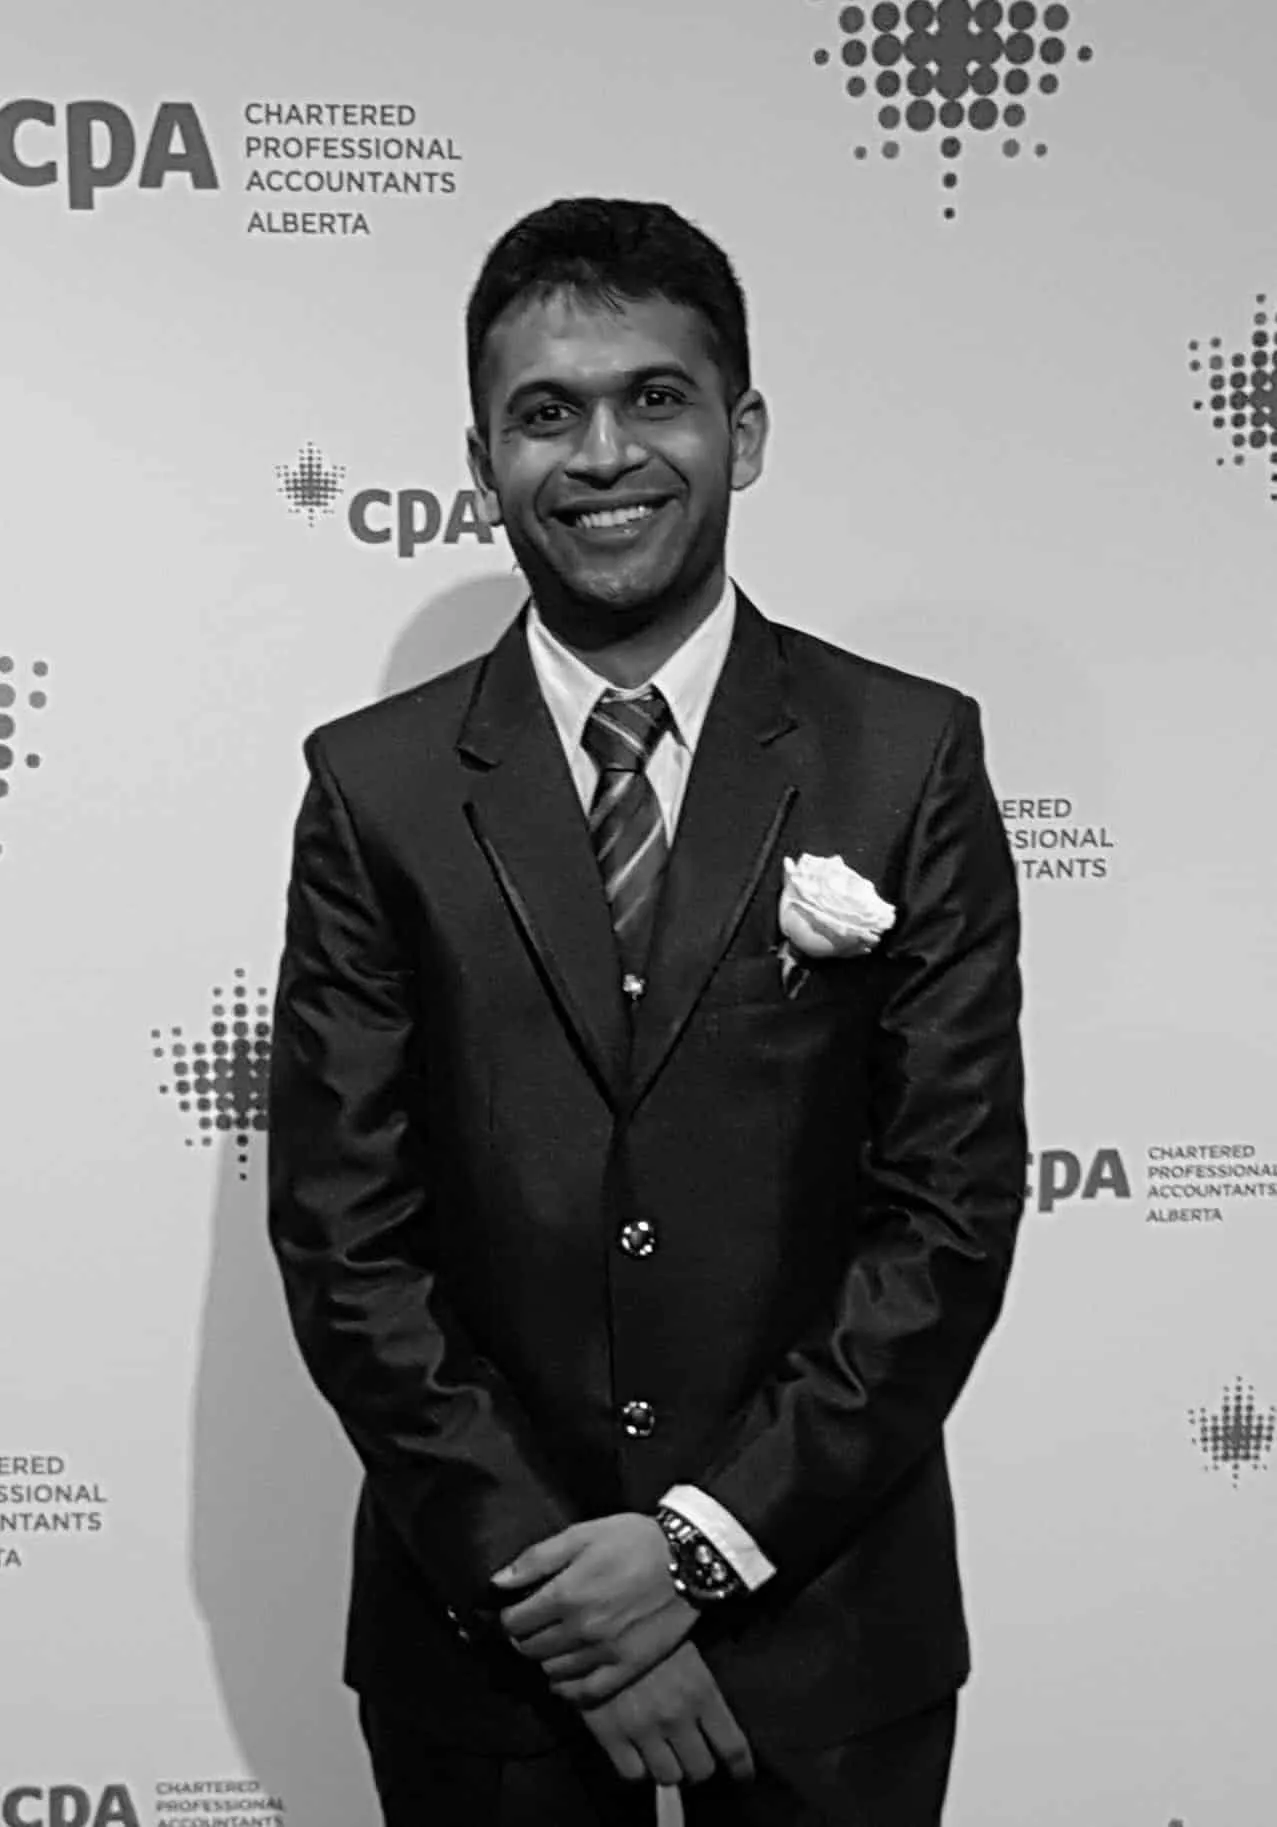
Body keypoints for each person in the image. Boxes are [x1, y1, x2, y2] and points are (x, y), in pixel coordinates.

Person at [267, 195, 1027, 1826]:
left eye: (654, 397)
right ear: (482, 462)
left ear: (741, 431)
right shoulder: (374, 788)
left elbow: (947, 1215)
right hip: (492, 1646)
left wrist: (695, 1546)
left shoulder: (910, 756)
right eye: (546, 412)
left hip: (826, 1635)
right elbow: (346, 1236)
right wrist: (569, 1594)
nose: (602, 452)